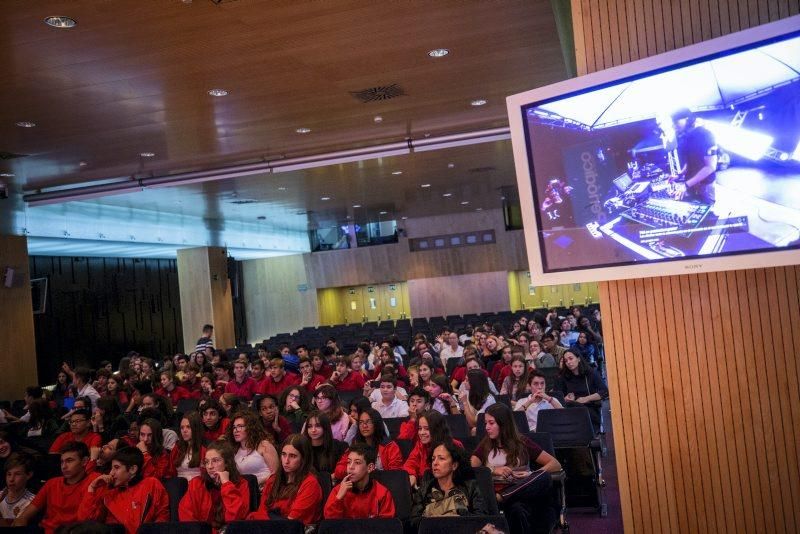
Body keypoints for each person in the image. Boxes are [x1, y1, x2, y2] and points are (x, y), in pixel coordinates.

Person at [471, 403, 561, 534]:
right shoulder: (486, 444)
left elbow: (555, 464)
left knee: (544, 476)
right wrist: (493, 470)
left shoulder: (522, 443)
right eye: (486, 423)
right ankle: (503, 497)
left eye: (491, 423)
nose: (487, 427)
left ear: (503, 424)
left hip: (523, 492)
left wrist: (530, 475)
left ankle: (503, 496)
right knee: (516, 509)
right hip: (497, 493)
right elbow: (471, 467)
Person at [78, 447, 170, 533]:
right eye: (111, 468)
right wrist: (92, 488)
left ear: (133, 469)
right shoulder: (109, 493)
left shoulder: (151, 484)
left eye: (116, 467)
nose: (111, 473)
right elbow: (86, 524)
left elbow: (162, 518)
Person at [13, 442, 100, 533]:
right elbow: (23, 518)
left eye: (69, 460)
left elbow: (90, 522)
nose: (64, 466)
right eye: (62, 461)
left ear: (84, 461)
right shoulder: (52, 483)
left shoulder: (93, 482)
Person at [249, 434, 322, 525]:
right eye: (283, 454)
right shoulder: (273, 480)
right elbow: (261, 514)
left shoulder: (310, 484)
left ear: (303, 459)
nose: (286, 461)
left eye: (293, 456)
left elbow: (292, 522)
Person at [410, 441, 488, 528]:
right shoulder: (424, 489)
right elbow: (413, 522)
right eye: (433, 459)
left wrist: (458, 517)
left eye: (441, 458)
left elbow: (481, 519)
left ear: (454, 465)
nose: (435, 463)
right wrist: (434, 520)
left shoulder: (470, 487)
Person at [178, 441, 250, 532]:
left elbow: (236, 520)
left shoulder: (242, 484)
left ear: (227, 462)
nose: (210, 466)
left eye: (215, 461)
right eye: (207, 462)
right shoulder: (197, 483)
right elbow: (186, 516)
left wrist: (226, 484)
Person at [324, 442, 396, 519]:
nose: (350, 467)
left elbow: (388, 526)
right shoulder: (338, 491)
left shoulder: (382, 493)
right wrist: (338, 498)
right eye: (348, 462)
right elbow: (329, 524)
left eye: (357, 463)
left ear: (370, 468)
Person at [333, 408, 403, 481]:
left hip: (383, 485)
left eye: (368, 422)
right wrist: (358, 471)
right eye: (361, 422)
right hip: (357, 486)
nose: (364, 426)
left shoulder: (390, 446)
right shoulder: (355, 446)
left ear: (376, 423)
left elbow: (395, 474)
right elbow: (338, 471)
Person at [668, 107, 718, 204]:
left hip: (705, 187)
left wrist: (686, 185)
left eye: (676, 122)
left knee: (707, 215)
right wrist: (679, 175)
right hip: (691, 185)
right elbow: (690, 162)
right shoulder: (687, 137)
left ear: (688, 119)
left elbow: (710, 167)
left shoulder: (706, 135)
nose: (674, 126)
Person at [403, 410, 463, 488]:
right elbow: (410, 464)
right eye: (420, 428)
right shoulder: (420, 445)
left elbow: (462, 474)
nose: (421, 433)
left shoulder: (454, 445)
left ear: (437, 429)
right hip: (426, 490)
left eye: (427, 429)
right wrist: (411, 475)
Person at [554, 350, 608, 433]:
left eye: (571, 358)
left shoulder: (590, 373)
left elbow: (604, 391)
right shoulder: (563, 377)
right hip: (570, 410)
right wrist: (565, 398)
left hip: (589, 409)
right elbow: (558, 396)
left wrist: (586, 398)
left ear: (578, 359)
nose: (568, 362)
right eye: (566, 361)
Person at [227, 410, 279, 487]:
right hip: (246, 492)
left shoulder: (264, 445)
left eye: (240, 426)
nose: (235, 430)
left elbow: (276, 473)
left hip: (265, 490)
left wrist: (254, 483)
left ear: (250, 428)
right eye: (234, 427)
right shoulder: (235, 450)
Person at [303, 411, 348, 475]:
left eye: (318, 426)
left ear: (325, 427)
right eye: (309, 426)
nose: (313, 430)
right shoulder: (303, 448)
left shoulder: (339, 447)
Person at [0, 453, 35, 523]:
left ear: (29, 475)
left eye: (17, 474)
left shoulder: (32, 502)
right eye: (9, 474)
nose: (11, 479)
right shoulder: (1, 495)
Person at [170, 412, 206, 480]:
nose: (184, 430)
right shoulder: (177, 448)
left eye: (188, 427)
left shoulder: (205, 449)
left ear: (196, 428)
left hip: (197, 486)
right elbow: (171, 472)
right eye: (182, 428)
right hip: (179, 486)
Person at [459, 369, 496, 435]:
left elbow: (474, 423)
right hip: (473, 427)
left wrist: (465, 402)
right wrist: (451, 402)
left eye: (467, 380)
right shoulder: (469, 393)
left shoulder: (489, 399)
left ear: (474, 382)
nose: (464, 382)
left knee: (474, 430)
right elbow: (464, 417)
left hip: (487, 428)